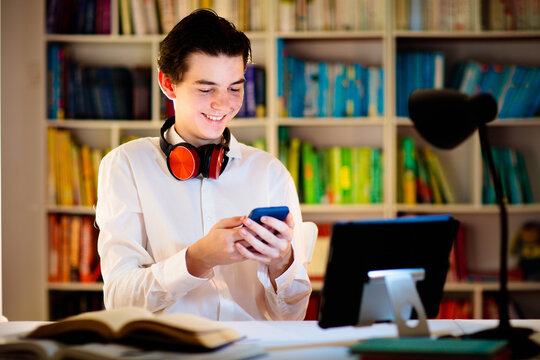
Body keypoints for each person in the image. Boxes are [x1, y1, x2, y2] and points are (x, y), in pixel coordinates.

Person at [95, 9, 311, 321]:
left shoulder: (269, 172)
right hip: (167, 350)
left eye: (234, 88)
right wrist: (196, 260)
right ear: (168, 84)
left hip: (251, 349)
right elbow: (120, 300)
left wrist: (282, 263)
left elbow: (292, 317)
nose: (223, 104)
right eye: (207, 88)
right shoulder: (126, 166)